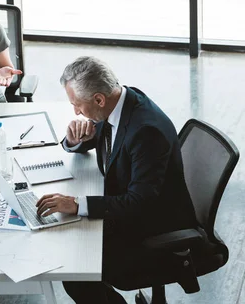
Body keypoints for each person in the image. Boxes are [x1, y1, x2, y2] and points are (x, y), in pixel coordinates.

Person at [35, 56, 197, 304]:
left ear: (98, 99)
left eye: (77, 105)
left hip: (152, 228)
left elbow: (139, 203)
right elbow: (105, 136)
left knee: (77, 271)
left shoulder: (146, 131)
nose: (76, 112)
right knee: (70, 241)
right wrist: (75, 139)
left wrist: (78, 204)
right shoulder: (120, 101)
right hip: (131, 205)